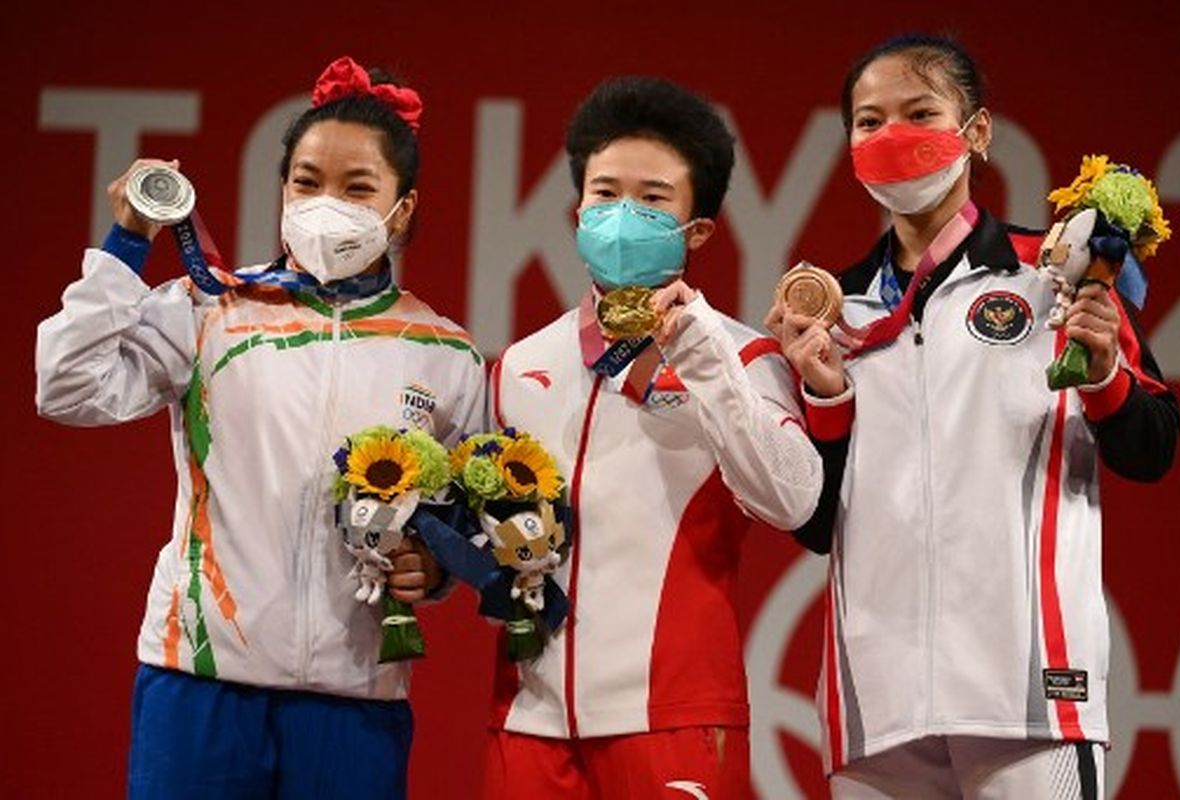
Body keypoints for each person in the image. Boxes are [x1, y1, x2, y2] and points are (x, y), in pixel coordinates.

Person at [35, 56, 485, 799]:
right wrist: (125, 242)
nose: (325, 202)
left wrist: (432, 574)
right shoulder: (212, 309)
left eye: (357, 187)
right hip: (201, 682)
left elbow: (457, 522)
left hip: (355, 700)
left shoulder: (446, 352)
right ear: (282, 189)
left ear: (401, 209)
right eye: (307, 181)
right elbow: (67, 384)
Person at [765, 34, 1180, 798]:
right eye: (869, 121)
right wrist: (825, 397)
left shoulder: (1052, 272)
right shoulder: (837, 312)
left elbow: (1154, 448)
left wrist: (1105, 380)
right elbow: (817, 526)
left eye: (920, 113)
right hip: (877, 706)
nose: (893, 137)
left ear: (977, 132)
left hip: (1026, 691)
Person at [484, 76, 823, 799]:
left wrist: (699, 356)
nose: (622, 215)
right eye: (605, 194)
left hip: (674, 719)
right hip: (526, 721)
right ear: (577, 212)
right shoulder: (520, 367)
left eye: (653, 199)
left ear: (696, 229)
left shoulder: (745, 359)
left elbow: (792, 500)